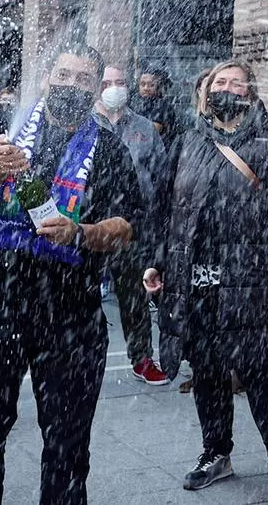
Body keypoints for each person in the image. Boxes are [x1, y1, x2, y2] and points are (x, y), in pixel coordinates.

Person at [0, 42, 142, 505]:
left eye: (82, 79)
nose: (70, 85)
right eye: (63, 74)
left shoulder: (108, 148)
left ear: (96, 89)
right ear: (48, 77)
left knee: (67, 450)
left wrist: (80, 232)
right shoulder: (2, 129)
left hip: (71, 316)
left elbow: (126, 228)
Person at [141, 59, 268, 502]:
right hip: (195, 283)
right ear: (206, 90)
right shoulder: (187, 142)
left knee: (262, 374)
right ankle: (216, 452)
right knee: (207, 372)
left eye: (237, 83)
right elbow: (165, 210)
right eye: (221, 82)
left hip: (250, 280)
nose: (227, 89)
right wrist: (157, 262)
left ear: (251, 95)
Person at [92, 64, 169, 385]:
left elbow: (161, 176)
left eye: (120, 82)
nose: (114, 88)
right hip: (90, 224)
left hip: (133, 224)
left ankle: (142, 358)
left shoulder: (144, 127)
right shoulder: (85, 124)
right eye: (107, 82)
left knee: (135, 296)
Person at [133, 65, 177, 139]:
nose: (146, 88)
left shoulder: (163, 105)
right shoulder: (135, 102)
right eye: (142, 84)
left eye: (151, 85)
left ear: (158, 86)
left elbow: (152, 130)